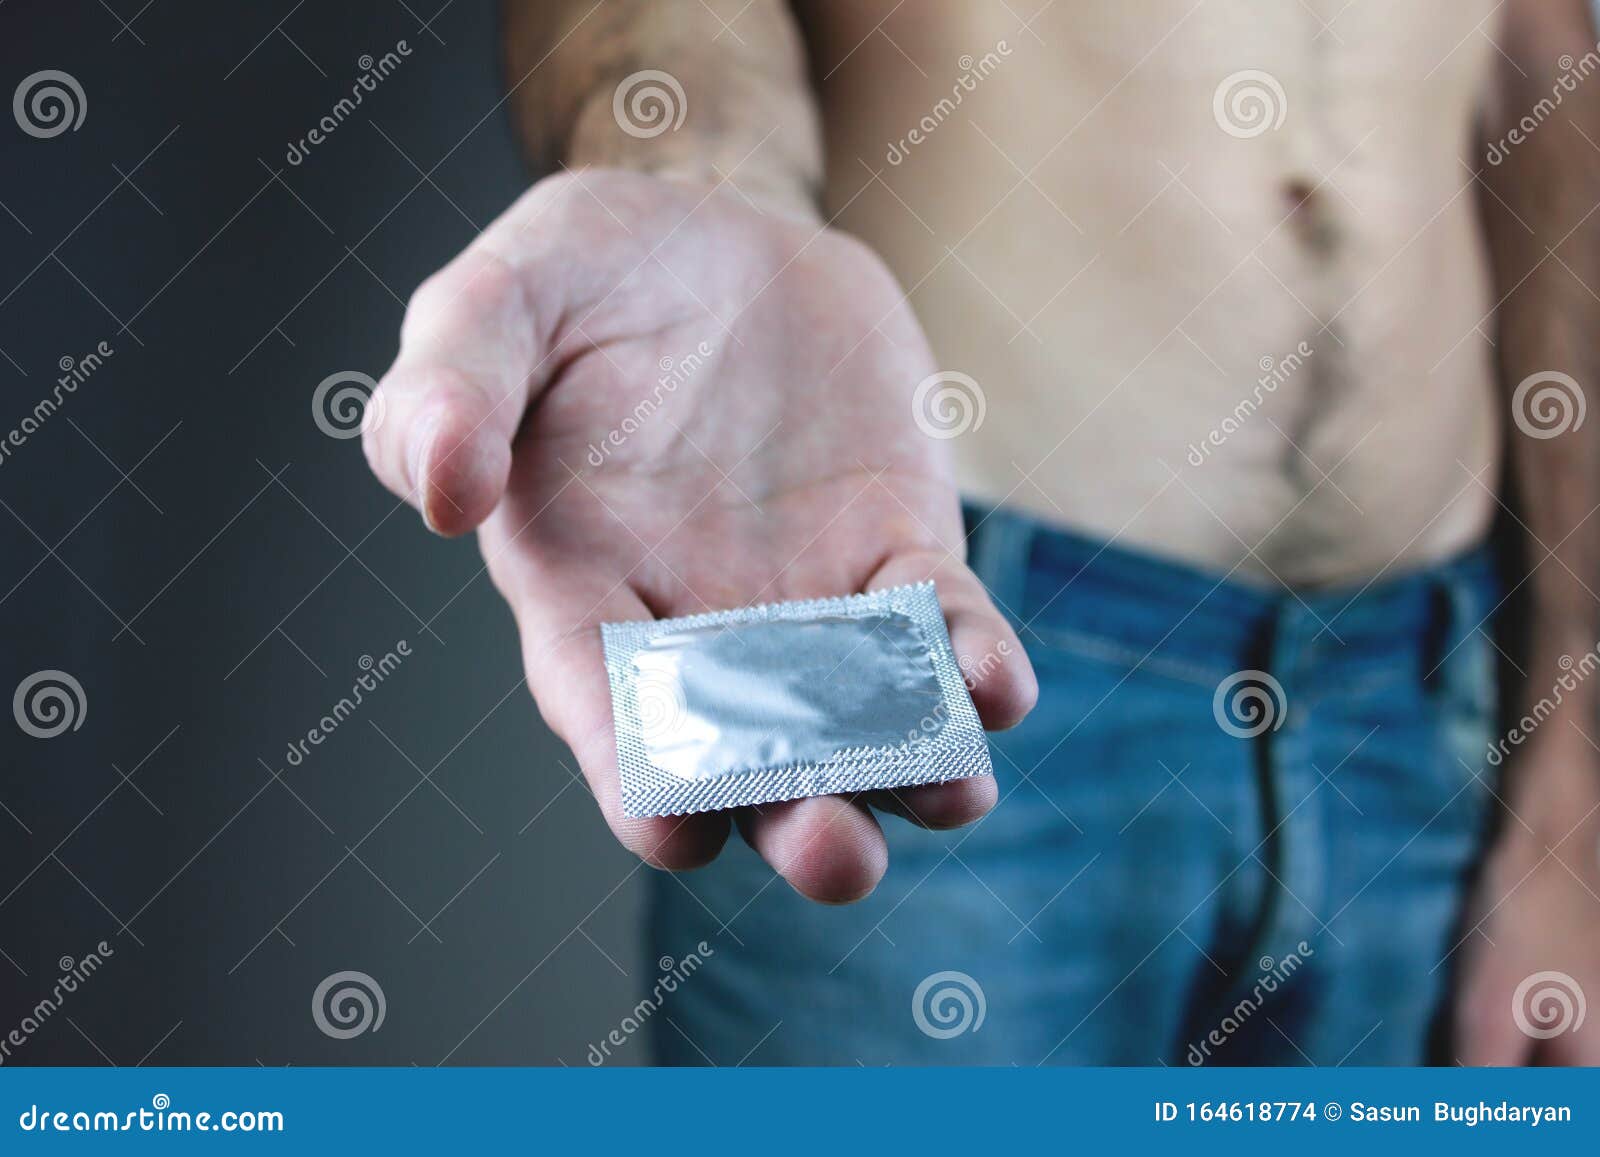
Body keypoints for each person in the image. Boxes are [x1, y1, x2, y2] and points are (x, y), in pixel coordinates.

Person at [361, 0, 1600, 1065]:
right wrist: (696, 184)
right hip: (919, 640)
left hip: (1427, 701)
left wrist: (1572, 769)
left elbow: (1542, 53)